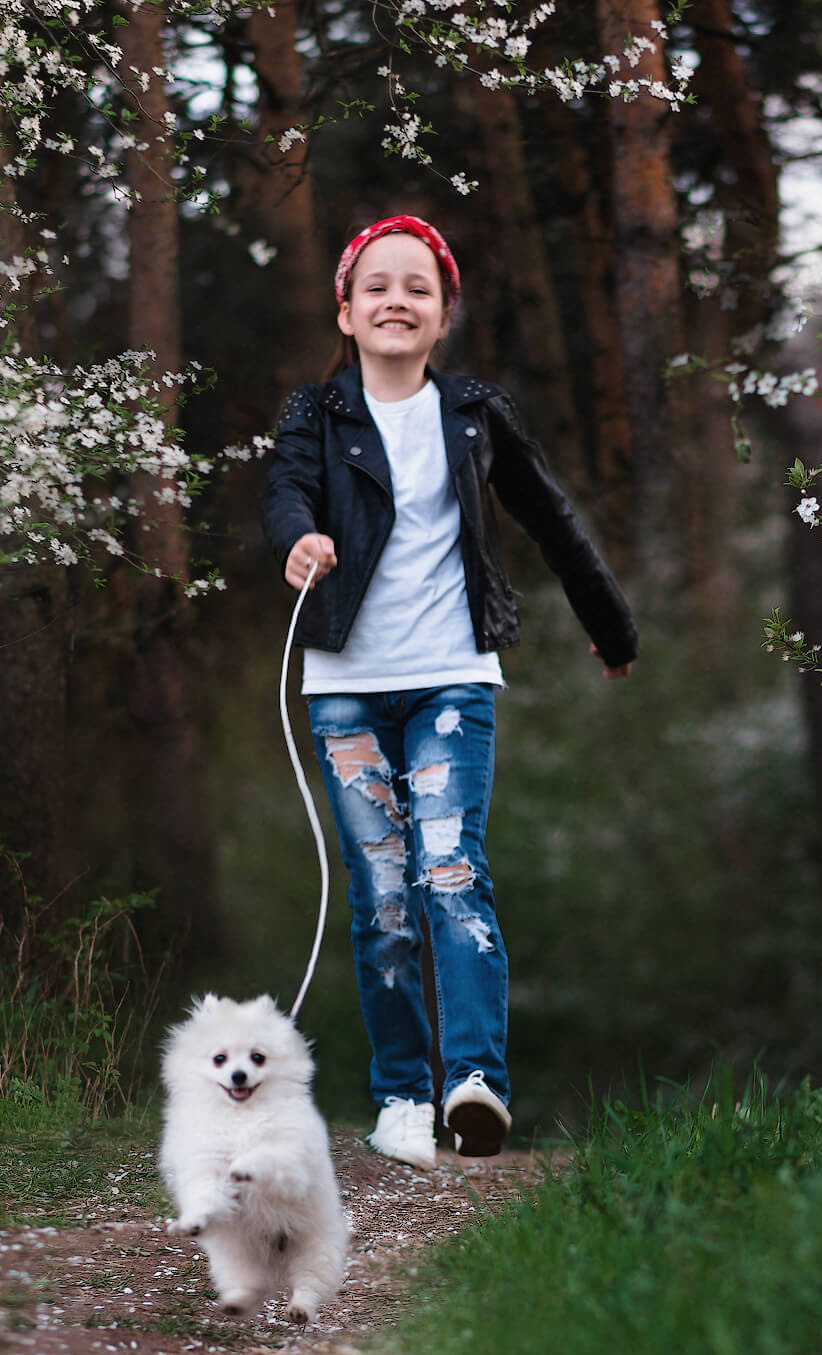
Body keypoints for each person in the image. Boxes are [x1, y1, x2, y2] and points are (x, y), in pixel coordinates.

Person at [263, 215, 637, 1168]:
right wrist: (299, 542)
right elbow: (286, 495)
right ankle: (399, 1094)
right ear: (343, 311)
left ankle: (475, 1083)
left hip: (453, 681)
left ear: (442, 315)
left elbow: (548, 514)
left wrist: (609, 620)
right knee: (383, 893)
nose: (398, 300)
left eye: (418, 289)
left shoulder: (475, 412)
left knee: (452, 874)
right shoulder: (315, 413)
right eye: (377, 286)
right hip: (345, 685)